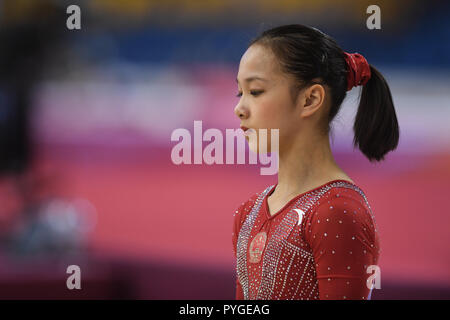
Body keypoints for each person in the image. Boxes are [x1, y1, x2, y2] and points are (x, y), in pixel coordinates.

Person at [232, 24, 399, 300]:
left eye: (256, 91)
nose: (239, 108)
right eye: (240, 93)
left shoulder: (337, 211)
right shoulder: (248, 213)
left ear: (310, 99)